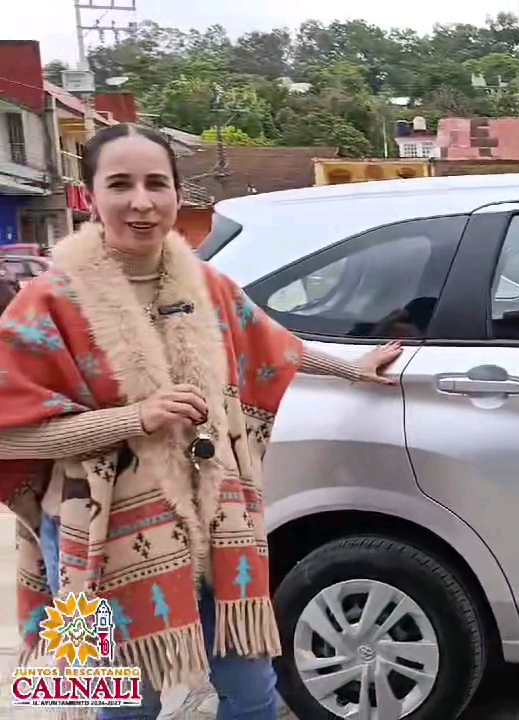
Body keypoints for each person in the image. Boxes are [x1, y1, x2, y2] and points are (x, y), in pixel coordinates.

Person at [0, 123, 401, 720]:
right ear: (90, 195)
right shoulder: (48, 300)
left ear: (177, 193)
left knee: (252, 692)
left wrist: (352, 369)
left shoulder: (208, 285)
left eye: (156, 184)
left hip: (219, 521)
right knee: (119, 705)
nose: (141, 202)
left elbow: (274, 347)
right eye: (120, 184)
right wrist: (134, 419)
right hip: (93, 537)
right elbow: (11, 436)